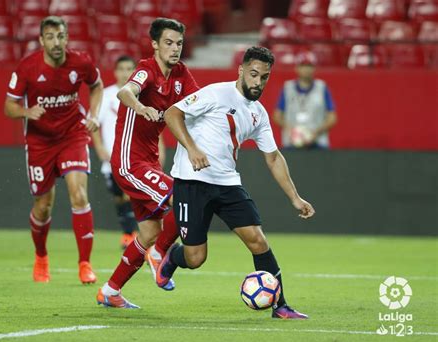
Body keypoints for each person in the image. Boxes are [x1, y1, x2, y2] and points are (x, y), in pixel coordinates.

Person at [157, 46, 315, 319]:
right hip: (192, 181)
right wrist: (192, 149)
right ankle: (172, 257)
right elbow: (172, 113)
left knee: (258, 240)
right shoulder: (216, 93)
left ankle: (280, 306)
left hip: (228, 183)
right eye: (253, 74)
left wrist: (295, 198)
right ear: (241, 70)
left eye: (264, 77)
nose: (258, 82)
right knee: (195, 258)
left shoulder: (259, 114)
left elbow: (274, 158)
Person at [96, 18, 199, 308]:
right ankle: (159, 254)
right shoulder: (146, 70)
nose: (175, 48)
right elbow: (124, 91)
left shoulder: (180, 73)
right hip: (129, 162)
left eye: (179, 43)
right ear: (155, 44)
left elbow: (200, 102)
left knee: (150, 232)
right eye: (168, 42)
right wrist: (141, 107)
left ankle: (110, 290)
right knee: (184, 196)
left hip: (150, 163)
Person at [4, 16, 103, 284]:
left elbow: (96, 86)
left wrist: (94, 114)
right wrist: (27, 111)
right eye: (50, 37)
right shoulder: (27, 67)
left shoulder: (80, 61)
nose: (56, 42)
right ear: (41, 40)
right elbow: (8, 106)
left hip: (73, 135)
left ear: (67, 37)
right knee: (44, 206)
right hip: (40, 143)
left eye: (60, 36)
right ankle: (41, 257)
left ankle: (85, 264)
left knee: (79, 193)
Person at [91, 56, 139, 249]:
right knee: (119, 197)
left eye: (129, 68)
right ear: (115, 72)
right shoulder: (106, 94)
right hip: (111, 157)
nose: (125, 73)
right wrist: (99, 147)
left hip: (134, 157)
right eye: (122, 69)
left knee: (130, 194)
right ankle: (128, 233)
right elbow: (94, 122)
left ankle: (134, 234)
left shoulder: (141, 95)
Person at [273, 52, 337, 149]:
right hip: (292, 143)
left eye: (309, 66)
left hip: (318, 143)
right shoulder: (288, 88)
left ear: (314, 68)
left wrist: (317, 132)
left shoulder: (322, 88)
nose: (306, 69)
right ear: (297, 68)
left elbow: (332, 117)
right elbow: (277, 116)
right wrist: (290, 129)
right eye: (303, 66)